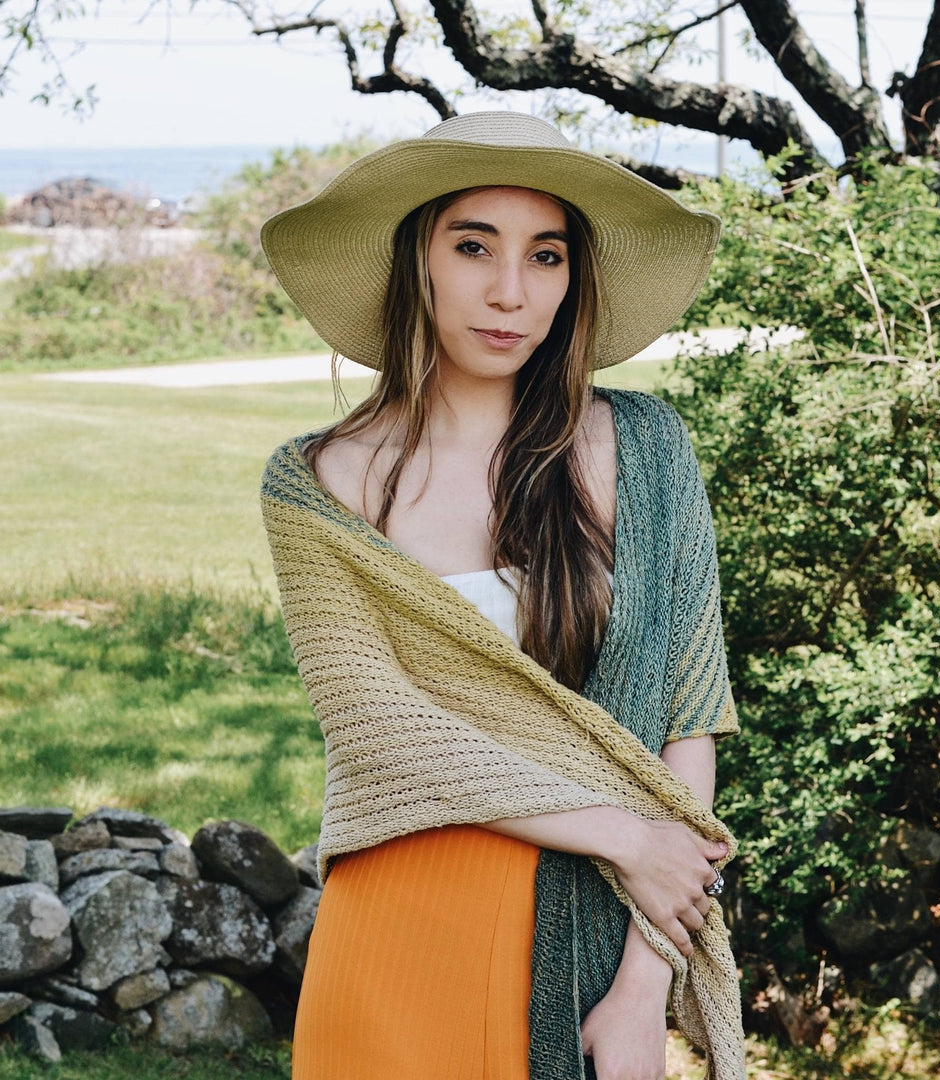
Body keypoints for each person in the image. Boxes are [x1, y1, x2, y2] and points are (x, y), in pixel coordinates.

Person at [259, 112, 745, 1080]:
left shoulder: (647, 450)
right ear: (418, 258)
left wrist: (644, 985)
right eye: (473, 244)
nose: (511, 292)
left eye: (547, 255)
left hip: (598, 934)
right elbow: (375, 725)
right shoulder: (319, 481)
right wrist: (624, 837)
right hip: (398, 930)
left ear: (575, 278)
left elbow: (690, 725)